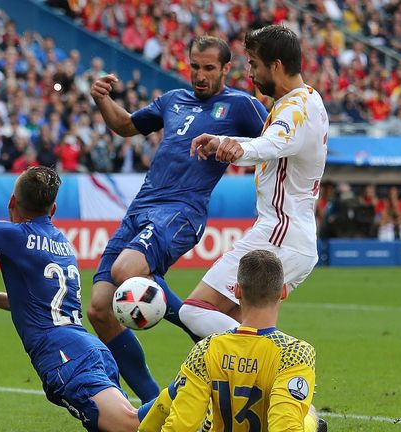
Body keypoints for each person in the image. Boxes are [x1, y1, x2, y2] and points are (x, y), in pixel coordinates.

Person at [87, 36, 268, 402]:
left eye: (209, 69)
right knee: (100, 308)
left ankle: (200, 324)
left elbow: (277, 142)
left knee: (127, 271)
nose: (200, 76)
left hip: (181, 211)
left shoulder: (241, 105)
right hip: (140, 208)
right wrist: (102, 99)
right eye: (195, 67)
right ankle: (154, 404)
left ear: (225, 69)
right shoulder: (173, 100)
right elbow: (125, 126)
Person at [185, 25, 328, 338]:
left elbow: (271, 144)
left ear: (275, 65)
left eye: (253, 63)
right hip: (294, 234)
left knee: (195, 311)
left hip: (280, 233)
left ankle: (282, 357)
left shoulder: (295, 111)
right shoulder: (306, 100)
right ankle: (258, 380)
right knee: (242, 325)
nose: (249, 72)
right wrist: (222, 139)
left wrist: (238, 150)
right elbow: (277, 142)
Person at [0, 167, 139, 431]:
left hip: (65, 356)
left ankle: (190, 397)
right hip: (89, 350)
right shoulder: (62, 243)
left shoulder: (15, 236)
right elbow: (36, 303)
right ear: (54, 209)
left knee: (133, 425)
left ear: (12, 202)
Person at [138, 250, 325, 432]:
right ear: (283, 292)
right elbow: (285, 427)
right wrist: (312, 421)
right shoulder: (294, 353)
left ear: (236, 291)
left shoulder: (206, 349)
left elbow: (180, 425)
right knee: (307, 411)